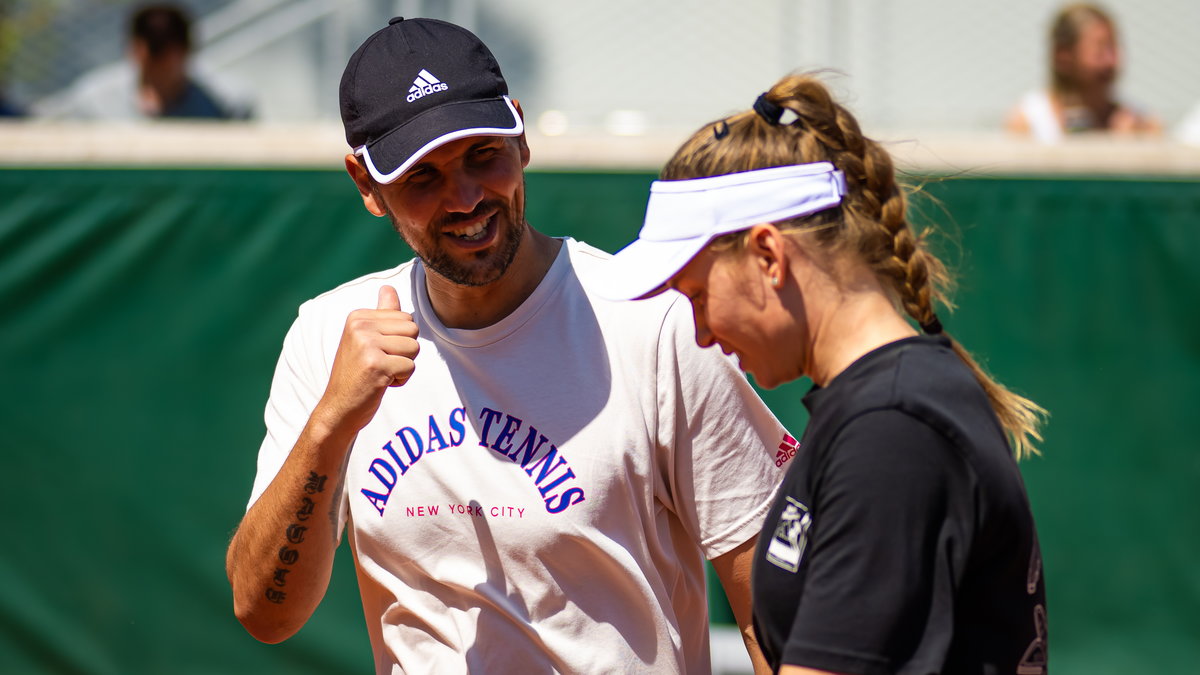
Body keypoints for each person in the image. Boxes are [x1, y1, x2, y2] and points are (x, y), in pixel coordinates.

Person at [225, 17, 789, 674]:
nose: (464, 197)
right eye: (422, 177)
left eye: (481, 155)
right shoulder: (330, 335)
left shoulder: (655, 326)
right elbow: (265, 611)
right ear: (367, 185)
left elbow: (775, 605)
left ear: (520, 134)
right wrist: (332, 423)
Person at [604, 75, 1049, 674]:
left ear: (767, 255)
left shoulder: (891, 431)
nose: (701, 332)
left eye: (698, 294)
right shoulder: (880, 408)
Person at [33, 3, 250, 120]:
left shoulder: (227, 105)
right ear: (134, 50)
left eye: (168, 55)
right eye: (154, 55)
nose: (161, 68)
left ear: (186, 52)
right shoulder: (94, 102)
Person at [1006, 3, 1159, 142]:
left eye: (1113, 48)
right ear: (1064, 55)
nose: (1111, 61)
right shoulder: (1030, 121)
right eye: (1099, 50)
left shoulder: (1140, 123)